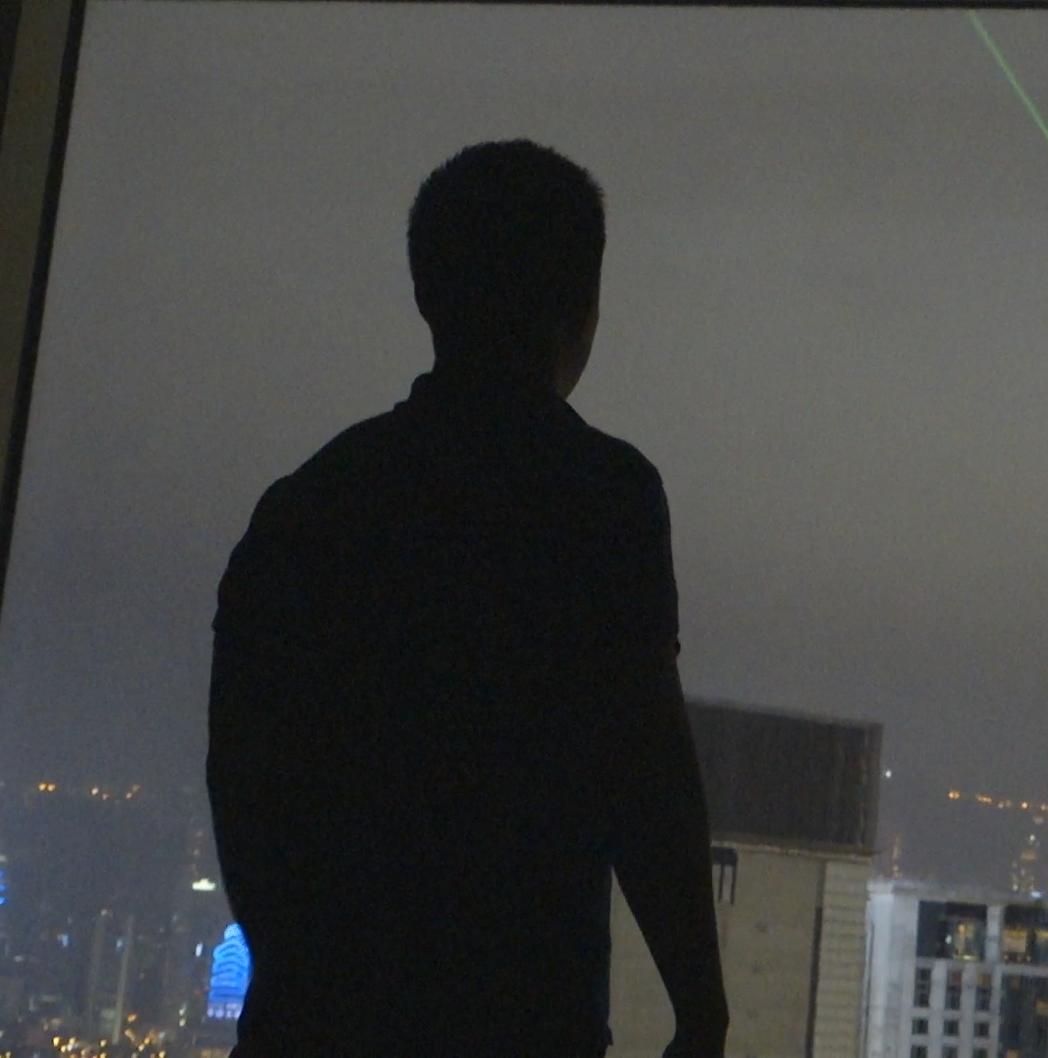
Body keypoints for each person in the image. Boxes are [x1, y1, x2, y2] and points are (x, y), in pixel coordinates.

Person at [206, 139, 728, 1058]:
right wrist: (701, 1010)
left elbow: (244, 778)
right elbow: (642, 767)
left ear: (426, 294)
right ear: (582, 308)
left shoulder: (308, 508)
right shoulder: (600, 496)